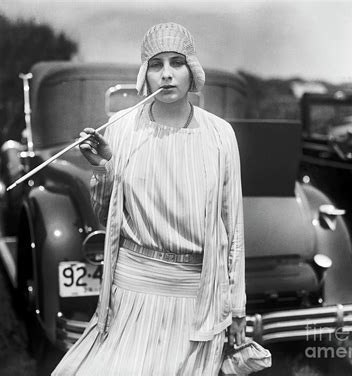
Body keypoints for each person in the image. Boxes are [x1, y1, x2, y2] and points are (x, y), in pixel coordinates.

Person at [52, 22, 246, 376]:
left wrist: (236, 309)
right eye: (156, 65)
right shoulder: (123, 127)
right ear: (145, 74)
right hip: (132, 295)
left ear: (192, 71)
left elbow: (233, 230)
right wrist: (104, 167)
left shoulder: (220, 135)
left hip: (195, 301)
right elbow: (105, 217)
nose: (167, 75)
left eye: (176, 63)